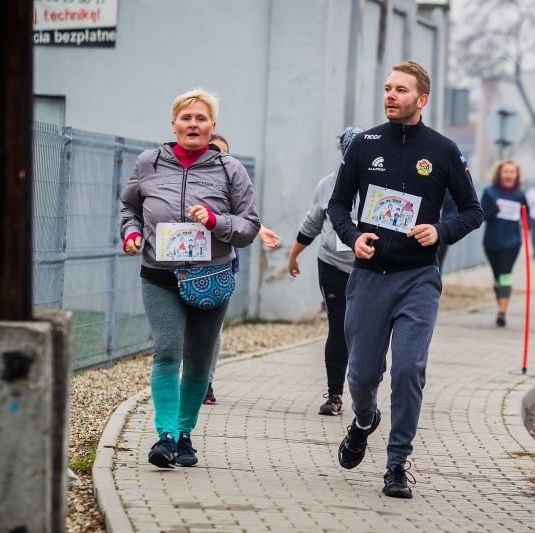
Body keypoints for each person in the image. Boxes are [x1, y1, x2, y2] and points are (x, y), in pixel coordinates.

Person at [327, 60, 483, 499]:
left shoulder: (444, 150)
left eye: (401, 89)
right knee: (359, 377)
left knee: (410, 369)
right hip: (370, 278)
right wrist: (353, 236)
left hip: (418, 278)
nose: (390, 95)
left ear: (422, 99)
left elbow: (474, 210)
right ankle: (363, 421)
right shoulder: (364, 145)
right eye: (387, 88)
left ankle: (397, 464)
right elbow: (338, 205)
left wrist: (441, 230)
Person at [120, 88, 260, 468]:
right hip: (159, 275)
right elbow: (129, 207)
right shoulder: (149, 162)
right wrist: (131, 234)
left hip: (209, 277)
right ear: (174, 123)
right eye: (186, 117)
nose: (193, 124)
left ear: (212, 127)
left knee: (198, 361)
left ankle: (184, 435)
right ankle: (164, 435)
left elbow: (249, 226)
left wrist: (215, 221)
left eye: (201, 119)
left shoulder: (230, 169)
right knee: (167, 351)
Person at [286, 126, 363, 416]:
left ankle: (366, 393)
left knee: (365, 330)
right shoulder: (328, 185)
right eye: (350, 149)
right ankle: (335, 395)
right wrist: (293, 256)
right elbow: (311, 225)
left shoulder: (380, 184)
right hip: (332, 262)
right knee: (339, 327)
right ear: (343, 152)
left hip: (369, 269)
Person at [201, 132, 280, 406]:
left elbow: (244, 218)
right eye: (211, 150)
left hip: (220, 265)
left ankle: (206, 382)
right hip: (185, 264)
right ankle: (187, 379)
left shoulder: (231, 180)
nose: (216, 156)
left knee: (213, 329)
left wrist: (261, 231)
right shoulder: (185, 179)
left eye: (222, 153)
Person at [480, 160, 527, 327]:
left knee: (505, 274)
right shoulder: (490, 192)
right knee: (497, 277)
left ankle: (502, 311)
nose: (508, 175)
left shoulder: (520, 195)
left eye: (512, 172)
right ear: (499, 174)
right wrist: (495, 210)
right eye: (506, 171)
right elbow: (481, 215)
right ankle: (501, 304)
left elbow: (526, 215)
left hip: (512, 242)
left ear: (517, 175)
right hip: (492, 242)